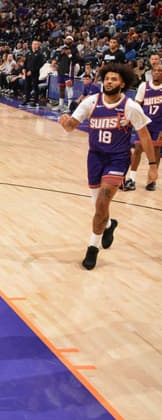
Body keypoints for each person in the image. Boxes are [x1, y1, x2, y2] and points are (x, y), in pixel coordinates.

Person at [59, 64, 158, 270]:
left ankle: (92, 248)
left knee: (103, 200)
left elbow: (144, 136)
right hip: (95, 158)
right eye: (107, 79)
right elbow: (71, 127)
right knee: (99, 207)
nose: (109, 82)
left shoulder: (130, 106)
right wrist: (65, 122)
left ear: (122, 83)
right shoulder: (91, 102)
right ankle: (110, 224)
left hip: (118, 159)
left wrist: (152, 165)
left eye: (114, 79)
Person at [124, 54, 162, 191]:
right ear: (151, 73)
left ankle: (151, 180)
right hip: (144, 123)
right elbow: (137, 105)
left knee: (156, 151)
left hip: (159, 125)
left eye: (159, 71)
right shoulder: (144, 86)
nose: (156, 73)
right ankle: (132, 179)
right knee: (138, 149)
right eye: (155, 71)